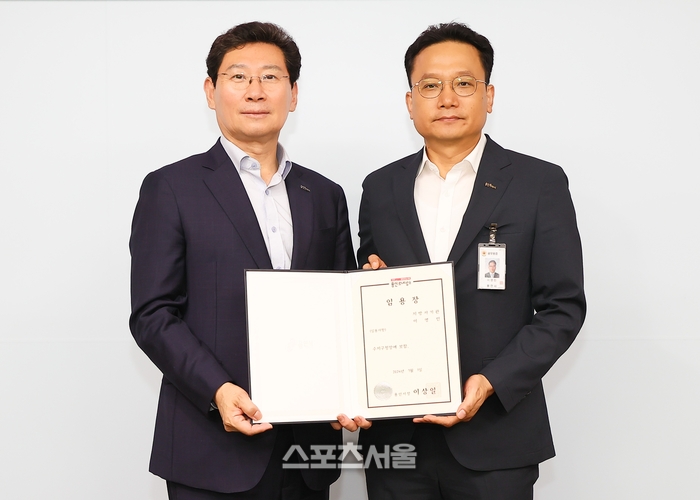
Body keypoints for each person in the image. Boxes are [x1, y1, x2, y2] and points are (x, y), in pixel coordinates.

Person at [346, 22, 586, 500]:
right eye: (430, 86)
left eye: (463, 83)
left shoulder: (538, 184)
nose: (447, 99)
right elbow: (364, 292)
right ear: (410, 101)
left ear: (489, 95)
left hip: (496, 440)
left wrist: (492, 381)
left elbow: (562, 308)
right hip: (397, 441)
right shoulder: (380, 187)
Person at [129, 21, 355, 499]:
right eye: (238, 77)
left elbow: (344, 309)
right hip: (210, 446)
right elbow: (153, 315)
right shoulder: (171, 188)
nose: (255, 91)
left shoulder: (325, 194)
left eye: (271, 77)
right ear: (211, 92)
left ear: (293, 94)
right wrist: (218, 390)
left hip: (306, 453)